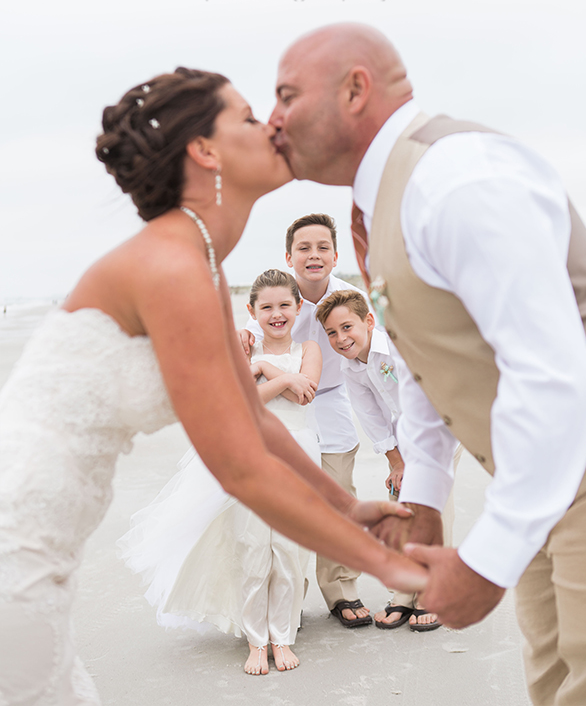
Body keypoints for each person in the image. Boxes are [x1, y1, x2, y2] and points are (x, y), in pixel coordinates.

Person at [0, 68, 426, 705]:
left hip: (45, 552)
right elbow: (242, 465)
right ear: (205, 152)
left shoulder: (200, 261)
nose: (274, 126)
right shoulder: (171, 266)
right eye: (251, 118)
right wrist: (386, 563)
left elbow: (255, 426)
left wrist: (353, 509)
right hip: (17, 554)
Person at [268, 22, 586, 705]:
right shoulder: (382, 198)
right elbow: (423, 360)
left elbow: (553, 375)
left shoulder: (454, 180)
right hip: (536, 482)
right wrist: (421, 502)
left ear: (355, 89)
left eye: (286, 96)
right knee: (557, 682)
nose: (271, 120)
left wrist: (486, 560)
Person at [120, 269, 324, 675]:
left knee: (287, 548)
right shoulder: (243, 354)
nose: (277, 313)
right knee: (251, 546)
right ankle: (255, 640)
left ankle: (282, 637)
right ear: (252, 311)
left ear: (298, 307)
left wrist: (267, 374)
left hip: (297, 456)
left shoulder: (310, 350)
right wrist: (273, 370)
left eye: (285, 305)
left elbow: (305, 394)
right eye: (266, 307)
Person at [239, 213, 375, 629]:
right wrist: (240, 338)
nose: (313, 255)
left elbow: (373, 351)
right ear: (289, 255)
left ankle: (341, 589)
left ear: (335, 256)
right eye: (303, 248)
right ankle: (288, 596)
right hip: (282, 415)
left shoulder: (350, 296)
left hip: (331, 403)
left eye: (321, 248)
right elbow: (249, 343)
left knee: (338, 499)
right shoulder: (278, 298)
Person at [317, 288, 462, 632]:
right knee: (400, 508)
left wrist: (418, 460)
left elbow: (427, 400)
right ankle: (403, 594)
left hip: (437, 431)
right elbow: (373, 420)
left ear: (369, 321)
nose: (341, 338)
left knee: (432, 510)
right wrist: (397, 464)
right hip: (401, 444)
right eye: (332, 333)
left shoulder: (397, 348)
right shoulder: (350, 368)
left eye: (347, 327)